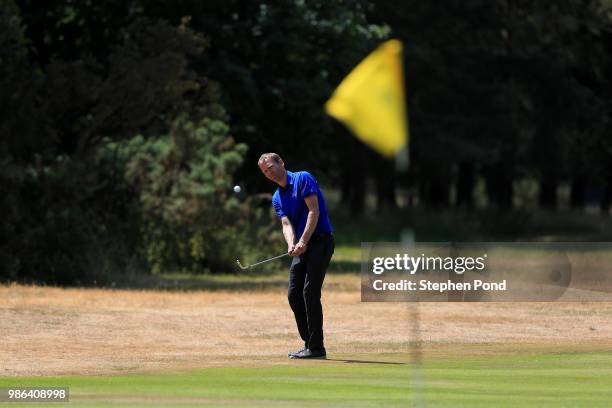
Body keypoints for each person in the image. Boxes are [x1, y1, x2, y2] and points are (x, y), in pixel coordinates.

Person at [258, 153, 335, 359]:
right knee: (294, 295)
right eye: (265, 172)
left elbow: (314, 211)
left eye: (271, 168)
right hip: (301, 247)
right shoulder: (277, 197)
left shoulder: (303, 178)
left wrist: (303, 241)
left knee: (310, 293)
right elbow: (285, 224)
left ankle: (317, 348)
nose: (269, 173)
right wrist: (292, 244)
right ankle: (309, 344)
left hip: (320, 241)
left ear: (281, 162)